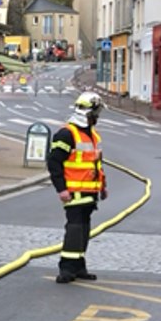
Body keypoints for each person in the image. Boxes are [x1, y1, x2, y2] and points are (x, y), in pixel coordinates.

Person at [48, 91, 106, 284]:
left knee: (83, 229)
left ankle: (79, 265)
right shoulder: (66, 134)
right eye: (95, 114)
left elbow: (95, 164)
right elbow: (54, 162)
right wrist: (61, 189)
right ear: (87, 113)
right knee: (74, 228)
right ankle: (66, 268)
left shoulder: (92, 136)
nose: (96, 118)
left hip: (90, 192)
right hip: (73, 192)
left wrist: (102, 186)